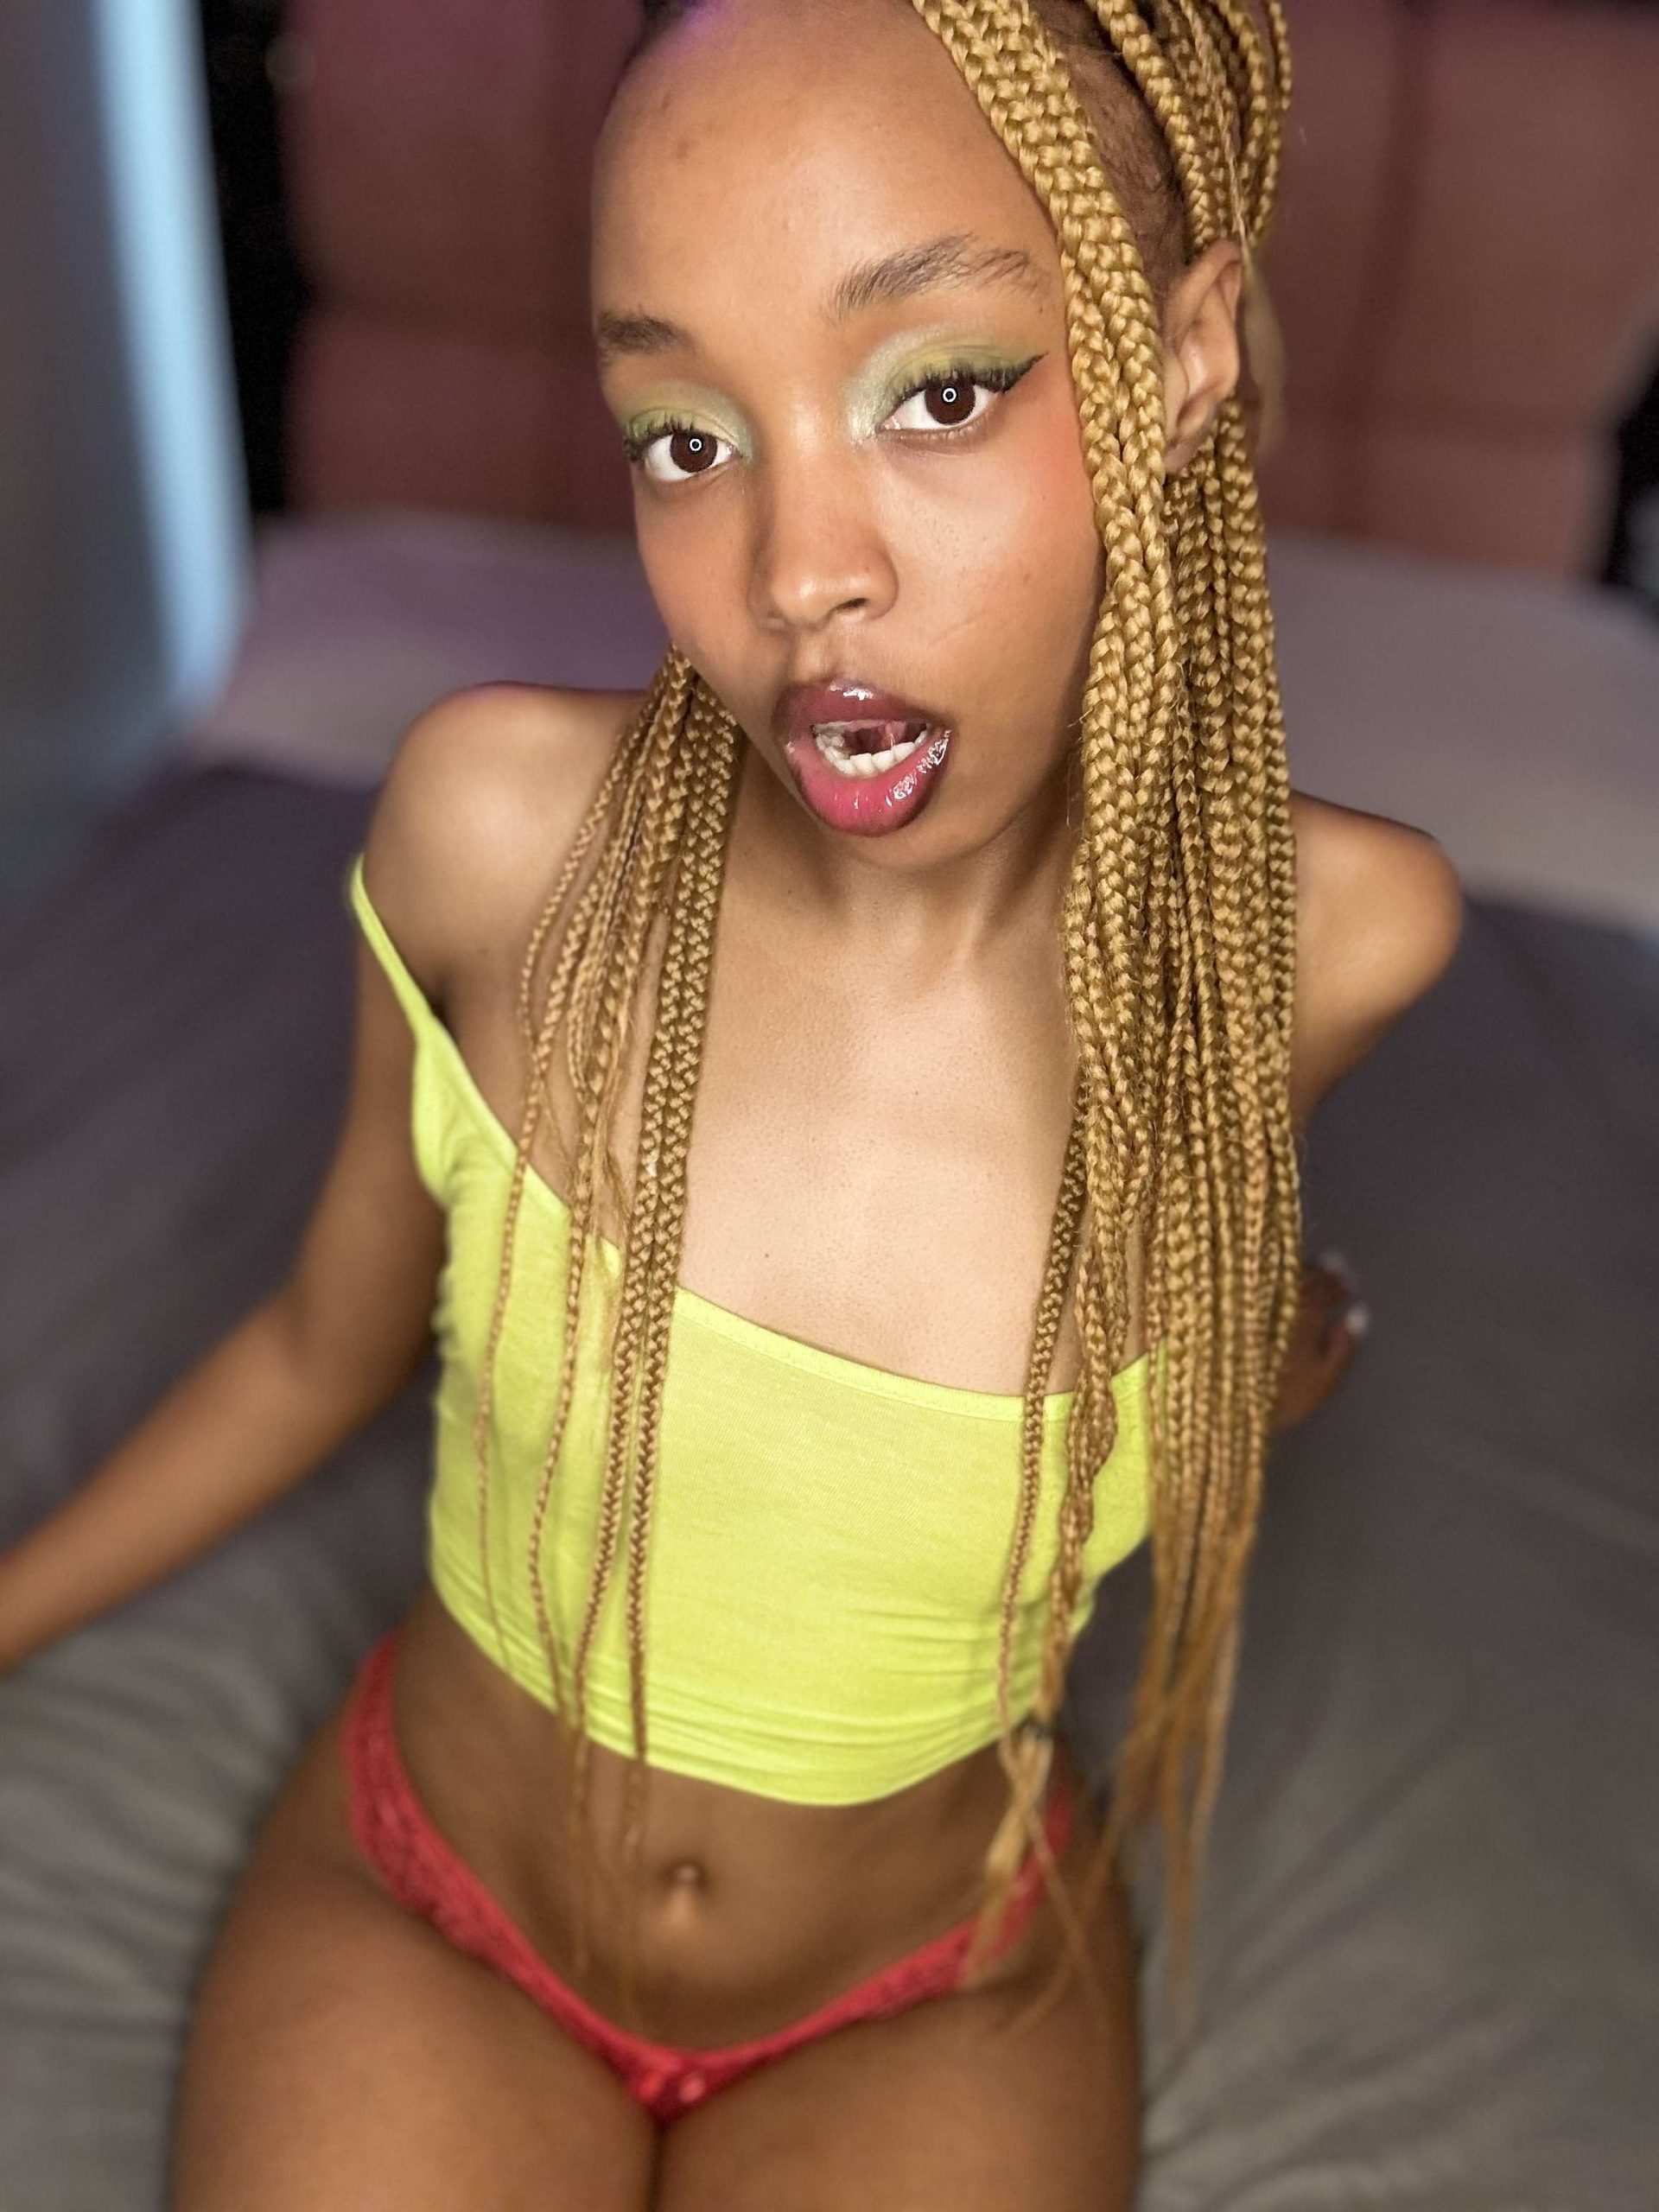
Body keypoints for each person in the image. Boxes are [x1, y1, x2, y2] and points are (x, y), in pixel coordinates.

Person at [0, 1, 1460, 2203]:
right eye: (686, 433)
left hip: (935, 1993)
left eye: (937, 392)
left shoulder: (1321, 942)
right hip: (433, 1919)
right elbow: (319, 1341)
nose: (795, 573)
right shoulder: (492, 830)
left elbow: (1203, 1277)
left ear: (1181, 361)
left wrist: (1274, 1335)